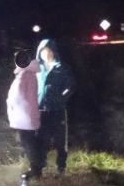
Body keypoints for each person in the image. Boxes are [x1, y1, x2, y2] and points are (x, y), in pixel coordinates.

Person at [35, 37, 74, 175]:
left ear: (53, 51)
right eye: (43, 51)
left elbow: (70, 86)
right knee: (41, 139)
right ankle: (40, 166)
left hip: (57, 110)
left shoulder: (62, 67)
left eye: (48, 50)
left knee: (60, 140)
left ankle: (61, 167)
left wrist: (61, 98)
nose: (46, 54)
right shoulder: (36, 69)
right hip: (41, 110)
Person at [6, 48, 42, 174]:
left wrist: (32, 117)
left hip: (26, 116)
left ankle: (36, 169)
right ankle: (35, 167)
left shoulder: (28, 75)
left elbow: (28, 97)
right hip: (22, 116)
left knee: (29, 142)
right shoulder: (23, 74)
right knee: (27, 141)